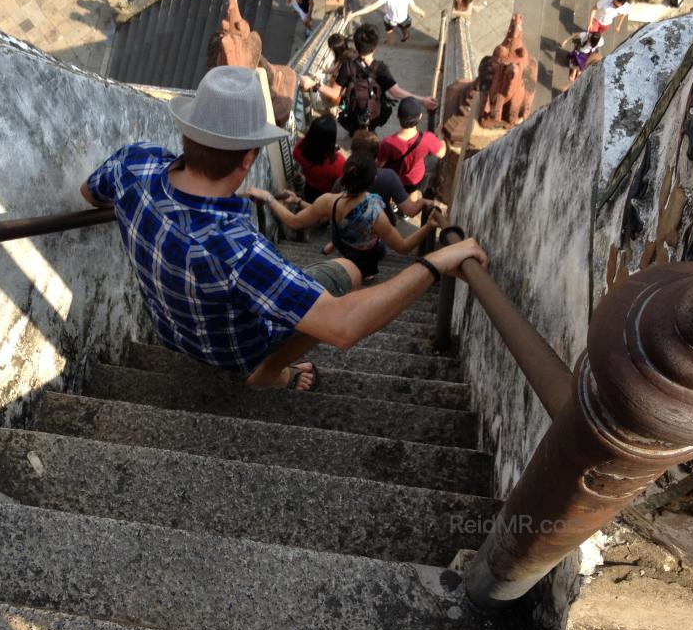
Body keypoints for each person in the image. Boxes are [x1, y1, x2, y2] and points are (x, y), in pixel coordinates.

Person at [81, 65, 487, 391]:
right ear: (247, 160)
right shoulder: (236, 249)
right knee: (347, 272)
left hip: (173, 331)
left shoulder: (134, 163)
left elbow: (89, 193)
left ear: (189, 133)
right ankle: (270, 370)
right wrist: (436, 262)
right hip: (235, 352)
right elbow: (343, 327)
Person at [250, 151, 439, 280]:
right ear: (373, 180)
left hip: (343, 244)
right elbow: (403, 247)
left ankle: (334, 247)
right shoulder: (374, 214)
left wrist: (268, 197)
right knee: (378, 251)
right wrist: (428, 227)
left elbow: (294, 221)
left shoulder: (327, 201)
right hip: (365, 256)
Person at [334, 23, 438, 134]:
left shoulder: (347, 66)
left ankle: (354, 133)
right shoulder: (380, 68)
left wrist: (317, 86)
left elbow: (334, 93)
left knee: (354, 126)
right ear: (374, 48)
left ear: (356, 45)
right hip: (374, 113)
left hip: (352, 112)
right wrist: (423, 100)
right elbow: (397, 93)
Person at [378, 97, 446, 195]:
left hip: (394, 180)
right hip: (414, 179)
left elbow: (380, 164)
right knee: (412, 197)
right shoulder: (428, 139)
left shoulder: (387, 142)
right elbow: (442, 153)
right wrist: (441, 138)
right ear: (420, 117)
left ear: (398, 116)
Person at [293, 114, 346, 202]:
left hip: (309, 187)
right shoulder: (339, 163)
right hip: (326, 195)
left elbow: (297, 154)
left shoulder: (299, 149)